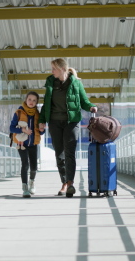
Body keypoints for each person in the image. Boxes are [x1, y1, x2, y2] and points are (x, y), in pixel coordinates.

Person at [38, 58, 98, 198]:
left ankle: (70, 183)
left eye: (54, 68)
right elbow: (46, 104)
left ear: (62, 69)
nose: (52, 71)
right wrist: (41, 121)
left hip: (71, 122)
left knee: (69, 152)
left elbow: (84, 101)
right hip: (54, 122)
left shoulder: (76, 83)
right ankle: (64, 182)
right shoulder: (50, 82)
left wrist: (91, 106)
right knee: (59, 153)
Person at [10, 91, 45, 198]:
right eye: (29, 99)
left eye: (34, 100)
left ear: (36, 102)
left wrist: (42, 129)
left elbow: (41, 132)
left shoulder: (38, 114)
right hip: (22, 144)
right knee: (25, 165)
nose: (31, 102)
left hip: (33, 144)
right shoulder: (19, 112)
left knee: (34, 167)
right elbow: (11, 128)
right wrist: (23, 130)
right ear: (26, 100)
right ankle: (24, 187)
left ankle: (31, 183)